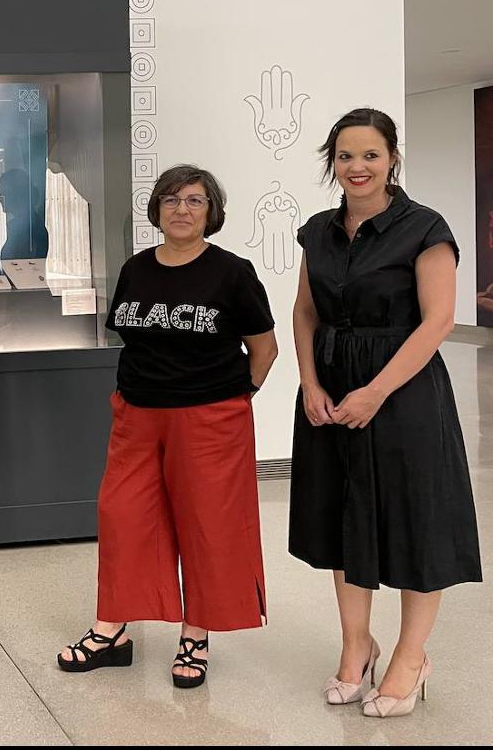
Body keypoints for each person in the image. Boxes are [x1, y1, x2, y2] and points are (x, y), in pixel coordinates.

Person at [289, 108, 482, 718]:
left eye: (370, 154)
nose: (357, 167)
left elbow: (439, 321)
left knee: (413, 520)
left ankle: (409, 657)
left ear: (392, 157)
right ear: (332, 162)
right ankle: (355, 649)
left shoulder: (424, 227)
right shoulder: (318, 230)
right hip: (331, 389)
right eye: (345, 156)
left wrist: (375, 391)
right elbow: (304, 311)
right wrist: (310, 382)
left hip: (403, 393)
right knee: (343, 519)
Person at [56, 164, 278, 688]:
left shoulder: (232, 272)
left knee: (207, 525)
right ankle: (113, 630)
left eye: (195, 201)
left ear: (212, 212)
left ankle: (195, 635)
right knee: (123, 517)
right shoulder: (136, 269)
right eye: (173, 200)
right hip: (137, 415)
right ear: (157, 208)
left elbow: (264, 348)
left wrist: (234, 400)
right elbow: (133, 338)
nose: (182, 210)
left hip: (208, 420)